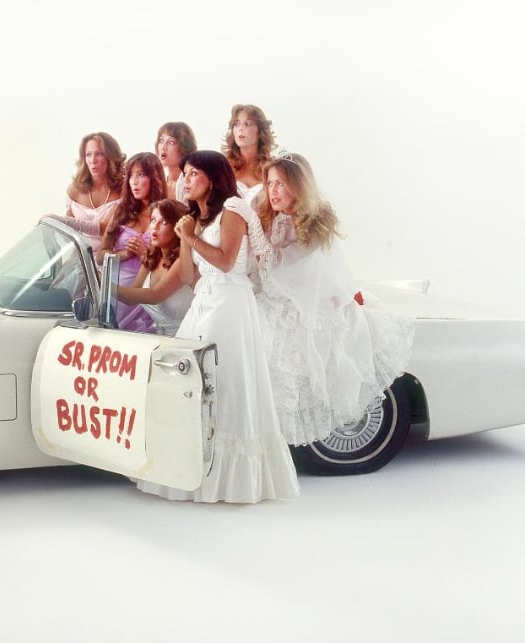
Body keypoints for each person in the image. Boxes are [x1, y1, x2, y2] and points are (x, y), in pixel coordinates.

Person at [135, 150, 299, 503]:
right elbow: (190, 274)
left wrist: (192, 238)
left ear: (212, 177)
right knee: (189, 381)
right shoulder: (200, 217)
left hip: (229, 305)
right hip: (205, 301)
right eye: (185, 174)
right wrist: (184, 236)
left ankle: (228, 480)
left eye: (194, 173)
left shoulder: (234, 210)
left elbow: (226, 262)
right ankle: (189, 468)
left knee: (221, 383)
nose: (186, 180)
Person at [249, 152, 415, 446]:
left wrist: (252, 228)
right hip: (276, 299)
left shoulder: (313, 223)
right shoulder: (274, 218)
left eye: (281, 185)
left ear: (298, 187)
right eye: (270, 183)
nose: (272, 191)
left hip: (298, 304)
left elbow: (284, 270)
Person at [95, 152, 166, 332]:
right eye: (130, 175)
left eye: (140, 175)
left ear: (154, 178)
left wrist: (145, 254)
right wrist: (123, 254)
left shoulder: (166, 213)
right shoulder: (122, 210)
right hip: (116, 295)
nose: (133, 181)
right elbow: (100, 256)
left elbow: (172, 263)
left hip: (147, 295)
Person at [116, 198, 194, 336]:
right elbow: (131, 297)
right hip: (160, 338)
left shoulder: (183, 260)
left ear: (177, 227)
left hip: (188, 336)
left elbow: (154, 295)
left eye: (164, 222)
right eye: (152, 220)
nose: (155, 227)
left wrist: (106, 286)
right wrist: (99, 281)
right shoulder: (152, 257)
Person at [63, 132, 126, 251]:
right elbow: (68, 234)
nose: (93, 160)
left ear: (110, 157)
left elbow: (104, 229)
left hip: (110, 260)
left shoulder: (123, 190)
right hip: (80, 259)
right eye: (88, 154)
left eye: (99, 154)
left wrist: (58, 220)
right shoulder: (74, 190)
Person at [222, 104, 276, 205]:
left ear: (260, 131)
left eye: (248, 124)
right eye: (236, 124)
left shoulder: (273, 169)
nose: (240, 129)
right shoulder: (223, 167)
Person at [154, 122, 198, 202]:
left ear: (184, 147)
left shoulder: (191, 183)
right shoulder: (159, 183)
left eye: (171, 142)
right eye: (161, 141)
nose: (163, 147)